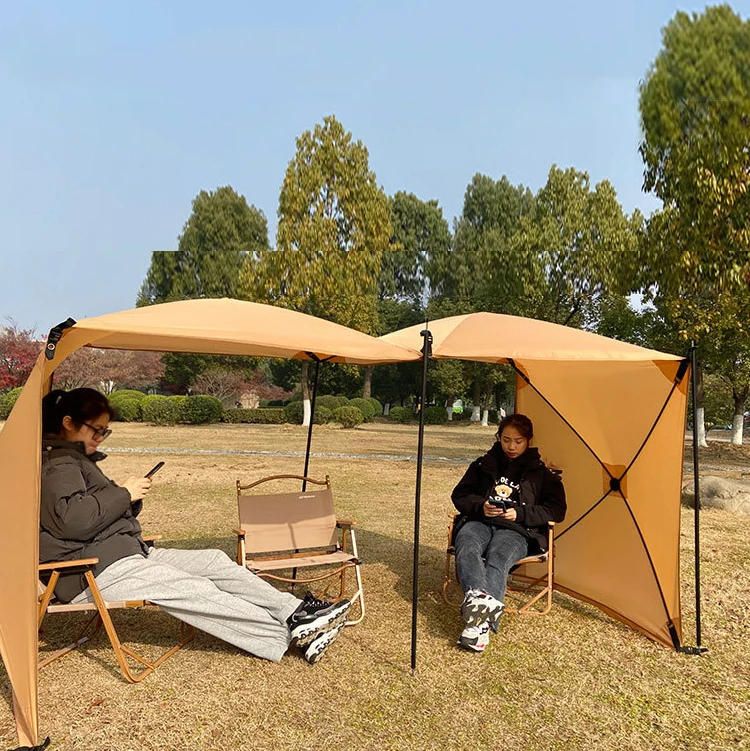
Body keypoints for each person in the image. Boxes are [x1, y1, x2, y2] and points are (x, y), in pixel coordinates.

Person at [39, 387, 351, 665]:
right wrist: (123, 493)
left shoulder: (74, 460)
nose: (100, 438)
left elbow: (89, 512)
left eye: (105, 432)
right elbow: (72, 520)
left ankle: (294, 611)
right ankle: (288, 633)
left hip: (122, 553)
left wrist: (126, 498)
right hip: (90, 571)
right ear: (68, 423)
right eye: (97, 431)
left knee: (212, 560)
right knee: (189, 587)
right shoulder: (57, 464)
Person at [451, 413, 566, 653]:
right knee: (467, 543)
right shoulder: (483, 465)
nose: (511, 447)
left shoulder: (542, 474)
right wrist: (480, 506)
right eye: (506, 440)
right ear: (498, 438)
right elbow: (459, 495)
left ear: (529, 440)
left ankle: (478, 624)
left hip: (517, 529)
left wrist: (520, 514)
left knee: (498, 556)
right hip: (480, 520)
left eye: (518, 441)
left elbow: (557, 510)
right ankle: (477, 600)